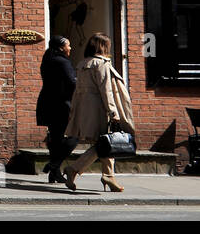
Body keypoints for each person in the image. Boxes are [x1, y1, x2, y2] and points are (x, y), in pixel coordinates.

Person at [64, 32, 134, 193]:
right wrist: (113, 111)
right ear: (103, 46)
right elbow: (106, 90)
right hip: (100, 108)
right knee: (103, 143)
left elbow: (78, 91)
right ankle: (74, 169)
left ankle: (108, 175)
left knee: (106, 141)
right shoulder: (101, 64)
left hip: (87, 109)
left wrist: (74, 111)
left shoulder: (83, 64)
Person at [36, 36, 78, 183]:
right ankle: (54, 165)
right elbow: (72, 82)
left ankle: (55, 173)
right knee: (74, 136)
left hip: (48, 102)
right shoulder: (62, 62)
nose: (70, 48)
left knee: (55, 138)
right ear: (61, 47)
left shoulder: (47, 59)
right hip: (62, 104)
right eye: (68, 45)